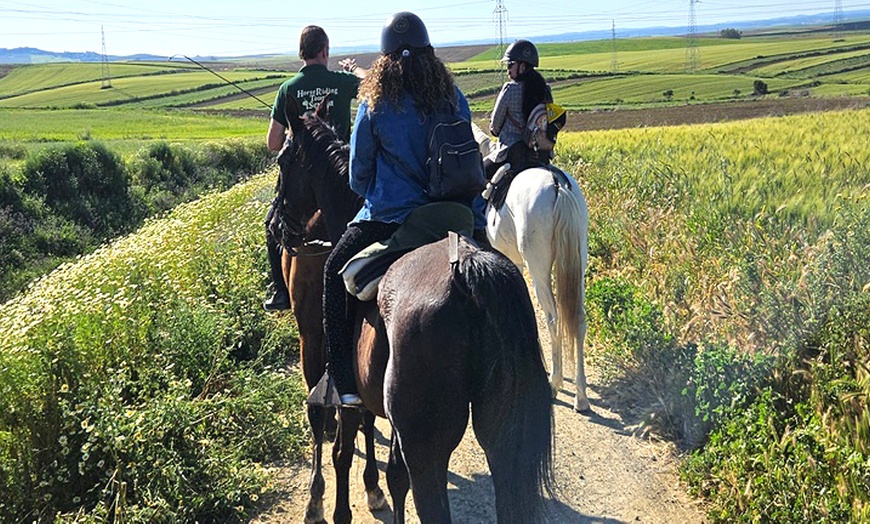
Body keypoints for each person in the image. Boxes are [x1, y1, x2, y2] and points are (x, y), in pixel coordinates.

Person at [323, 11, 484, 406]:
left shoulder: (374, 104)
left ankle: (343, 385)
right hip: (454, 218)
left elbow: (358, 175)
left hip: (391, 220)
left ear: (385, 61)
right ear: (430, 56)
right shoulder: (453, 96)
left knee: (331, 274)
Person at [263, 25, 364, 311]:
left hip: (302, 181)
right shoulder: (342, 81)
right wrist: (354, 69)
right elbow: (372, 85)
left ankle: (280, 291)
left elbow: (273, 143)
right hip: (342, 178)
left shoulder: (287, 89)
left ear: (302, 53)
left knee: (273, 224)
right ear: (324, 51)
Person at [483, 39, 553, 179]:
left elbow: (495, 127)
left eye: (510, 64)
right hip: (541, 156)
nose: (508, 69)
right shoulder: (545, 90)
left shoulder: (510, 89)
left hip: (511, 154)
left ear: (522, 67)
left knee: (477, 176)